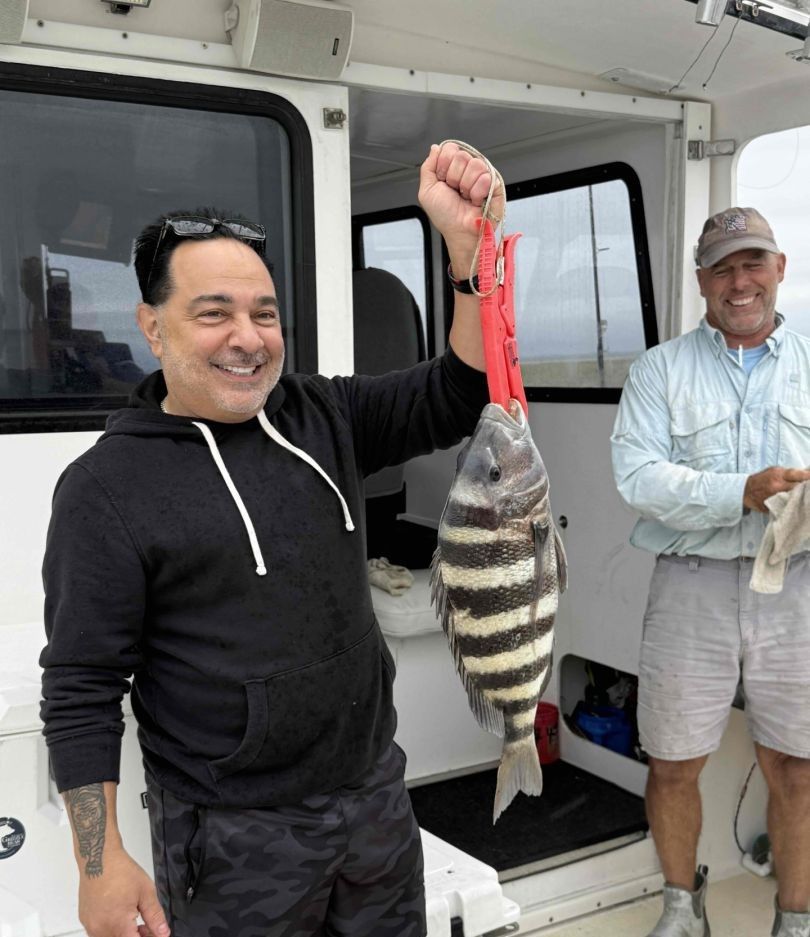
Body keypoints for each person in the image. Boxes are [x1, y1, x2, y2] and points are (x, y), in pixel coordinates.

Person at [39, 141, 501, 937]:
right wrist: (98, 860)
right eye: (213, 313)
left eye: (264, 312)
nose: (248, 337)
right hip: (231, 835)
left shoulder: (325, 414)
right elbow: (81, 688)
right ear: (151, 327)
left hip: (375, 801)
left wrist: (467, 256)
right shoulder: (104, 488)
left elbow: (462, 390)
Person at [611, 207, 810, 937]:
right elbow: (638, 477)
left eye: (753, 262)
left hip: (798, 584)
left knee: (798, 764)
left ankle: (795, 918)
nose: (740, 281)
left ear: (780, 268)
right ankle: (680, 907)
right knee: (672, 761)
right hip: (690, 581)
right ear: (701, 281)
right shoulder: (658, 369)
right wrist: (742, 492)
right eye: (722, 268)